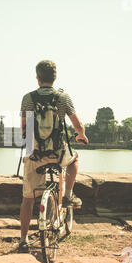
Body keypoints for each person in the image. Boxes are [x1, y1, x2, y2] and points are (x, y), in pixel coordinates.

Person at [18, 60, 89, 253]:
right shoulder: (63, 98)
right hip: (57, 153)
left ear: (37, 77)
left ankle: (23, 240)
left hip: (35, 154)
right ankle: (67, 196)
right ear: (54, 77)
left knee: (27, 199)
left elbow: (24, 128)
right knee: (74, 159)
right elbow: (78, 125)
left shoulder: (28, 98)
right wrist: (81, 135)